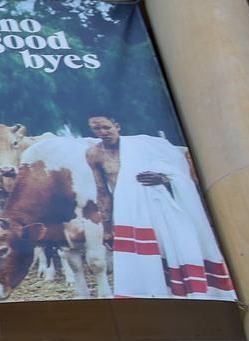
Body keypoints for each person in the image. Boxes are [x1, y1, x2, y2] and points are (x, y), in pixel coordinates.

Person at [85, 114, 235, 300]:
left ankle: (183, 295)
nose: (103, 132)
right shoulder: (94, 154)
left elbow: (178, 173)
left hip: (158, 211)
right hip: (129, 216)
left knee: (169, 253)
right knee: (142, 263)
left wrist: (164, 179)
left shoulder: (144, 147)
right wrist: (107, 229)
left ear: (117, 125)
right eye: (96, 129)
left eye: (106, 127)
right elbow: (102, 191)